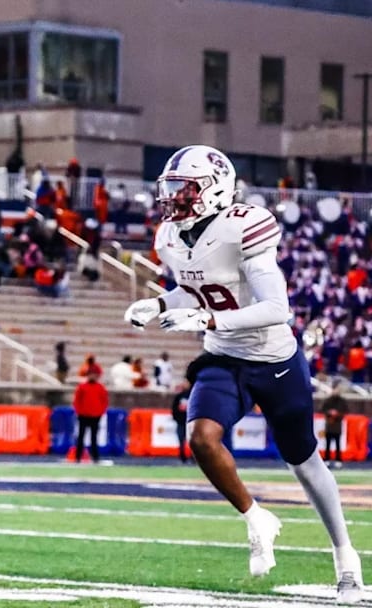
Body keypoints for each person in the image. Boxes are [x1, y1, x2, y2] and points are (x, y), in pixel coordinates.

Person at [122, 144, 362, 600]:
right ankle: (257, 518)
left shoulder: (244, 228)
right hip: (223, 357)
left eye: (183, 189)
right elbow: (197, 291)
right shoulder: (170, 238)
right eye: (170, 189)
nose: (172, 199)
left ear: (213, 191)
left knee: (305, 462)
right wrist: (157, 303)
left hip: (273, 359)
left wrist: (207, 319)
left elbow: (277, 308)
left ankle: (345, 559)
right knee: (200, 438)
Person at [72, 369, 107, 463]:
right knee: (81, 437)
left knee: (94, 438)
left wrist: (100, 412)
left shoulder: (100, 388)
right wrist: (79, 411)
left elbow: (104, 401)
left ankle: (95, 457)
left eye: (94, 375)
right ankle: (78, 457)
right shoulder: (82, 387)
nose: (92, 377)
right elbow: (77, 400)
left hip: (95, 416)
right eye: (91, 375)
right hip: (83, 415)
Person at [321, 387, 347, 469]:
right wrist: (329, 413)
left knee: (338, 444)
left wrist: (337, 414)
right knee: (327, 444)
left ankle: (338, 460)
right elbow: (322, 409)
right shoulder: (328, 400)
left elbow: (345, 411)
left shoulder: (342, 401)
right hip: (329, 426)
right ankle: (327, 460)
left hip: (337, 426)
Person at [171, 379, 191, 464]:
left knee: (192, 442)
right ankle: (182, 457)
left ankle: (194, 458)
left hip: (190, 423)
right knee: (181, 440)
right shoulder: (179, 396)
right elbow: (174, 408)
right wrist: (177, 419)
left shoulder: (192, 395)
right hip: (181, 422)